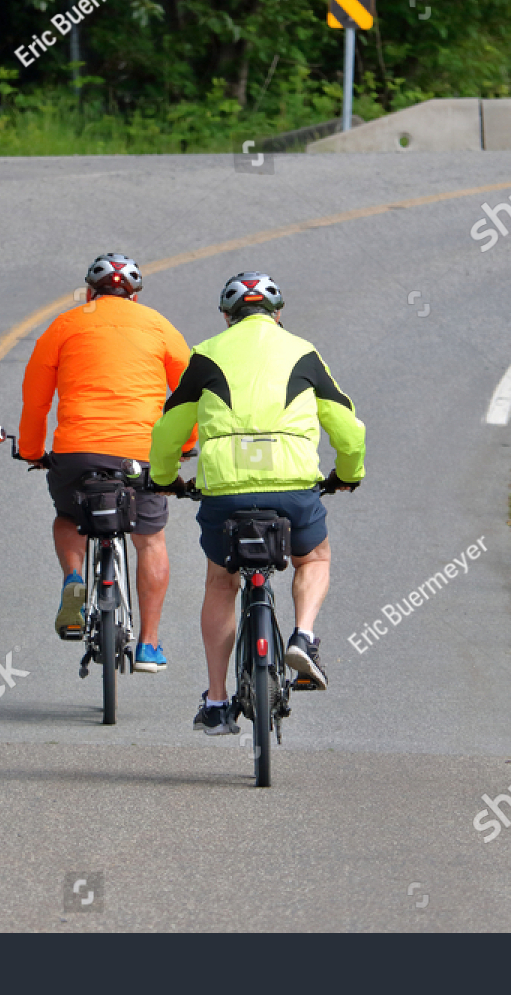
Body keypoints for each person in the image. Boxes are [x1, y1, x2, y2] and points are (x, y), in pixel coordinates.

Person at [148, 272, 365, 734]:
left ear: (227, 317)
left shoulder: (207, 354)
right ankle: (303, 633)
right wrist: (348, 474)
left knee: (221, 583)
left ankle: (217, 700)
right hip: (292, 485)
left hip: (225, 491)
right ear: (277, 313)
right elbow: (348, 428)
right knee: (315, 557)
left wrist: (166, 480)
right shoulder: (303, 351)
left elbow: (168, 431)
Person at [19, 252, 196, 672]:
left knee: (68, 515)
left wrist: (30, 451)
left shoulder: (64, 324)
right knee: (150, 538)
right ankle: (149, 644)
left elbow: (36, 398)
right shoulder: (157, 325)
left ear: (90, 290)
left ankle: (75, 579)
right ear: (133, 295)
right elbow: (190, 391)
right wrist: (185, 445)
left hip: (78, 451)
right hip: (142, 452)